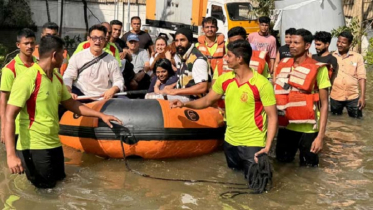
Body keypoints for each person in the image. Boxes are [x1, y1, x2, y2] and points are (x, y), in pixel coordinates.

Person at [4, 35, 122, 188]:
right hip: (34, 146)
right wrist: (11, 155)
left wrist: (101, 115)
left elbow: (72, 104)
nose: (64, 58)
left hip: (54, 143)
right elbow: (9, 116)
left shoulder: (57, 78)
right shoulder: (27, 78)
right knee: (44, 192)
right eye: (62, 54)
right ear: (54, 55)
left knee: (60, 185)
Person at [170, 40, 277, 177]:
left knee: (257, 185)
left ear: (239, 59)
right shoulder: (225, 79)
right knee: (234, 178)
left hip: (253, 143)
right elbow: (208, 100)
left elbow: (273, 116)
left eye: (229, 55)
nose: (225, 58)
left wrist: (267, 147)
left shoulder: (261, 84)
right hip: (230, 142)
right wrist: (184, 104)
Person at [274, 29, 331, 167]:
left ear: (307, 46)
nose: (291, 45)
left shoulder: (318, 69)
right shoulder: (283, 65)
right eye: (290, 42)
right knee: (281, 166)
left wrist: (320, 137)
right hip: (286, 128)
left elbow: (324, 105)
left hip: (308, 130)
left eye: (296, 43)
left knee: (309, 170)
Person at [63, 24, 125, 100]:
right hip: (80, 96)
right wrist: (68, 91)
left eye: (101, 38)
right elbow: (68, 77)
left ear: (105, 39)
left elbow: (118, 80)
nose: (98, 41)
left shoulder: (112, 60)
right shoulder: (77, 57)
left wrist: (113, 89)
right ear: (89, 39)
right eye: (94, 38)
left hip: (103, 98)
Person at [0, 28, 37, 144]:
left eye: (32, 43)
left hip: (37, 126)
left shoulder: (40, 65)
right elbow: (3, 100)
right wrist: (3, 128)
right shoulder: (9, 69)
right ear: (18, 45)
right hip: (17, 125)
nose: (29, 46)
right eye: (26, 43)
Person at [160, 28, 209, 100]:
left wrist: (175, 91)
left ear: (190, 41)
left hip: (195, 101)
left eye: (182, 40)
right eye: (176, 41)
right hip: (184, 97)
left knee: (153, 99)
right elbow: (185, 80)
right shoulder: (185, 56)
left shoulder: (198, 60)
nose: (179, 44)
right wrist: (172, 87)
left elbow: (202, 87)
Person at [330, 31, 366, 118]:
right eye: (338, 41)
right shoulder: (331, 56)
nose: (339, 44)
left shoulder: (357, 57)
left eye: (343, 42)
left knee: (357, 122)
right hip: (335, 96)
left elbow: (362, 77)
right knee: (335, 121)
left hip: (353, 97)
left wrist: (362, 97)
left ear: (349, 44)